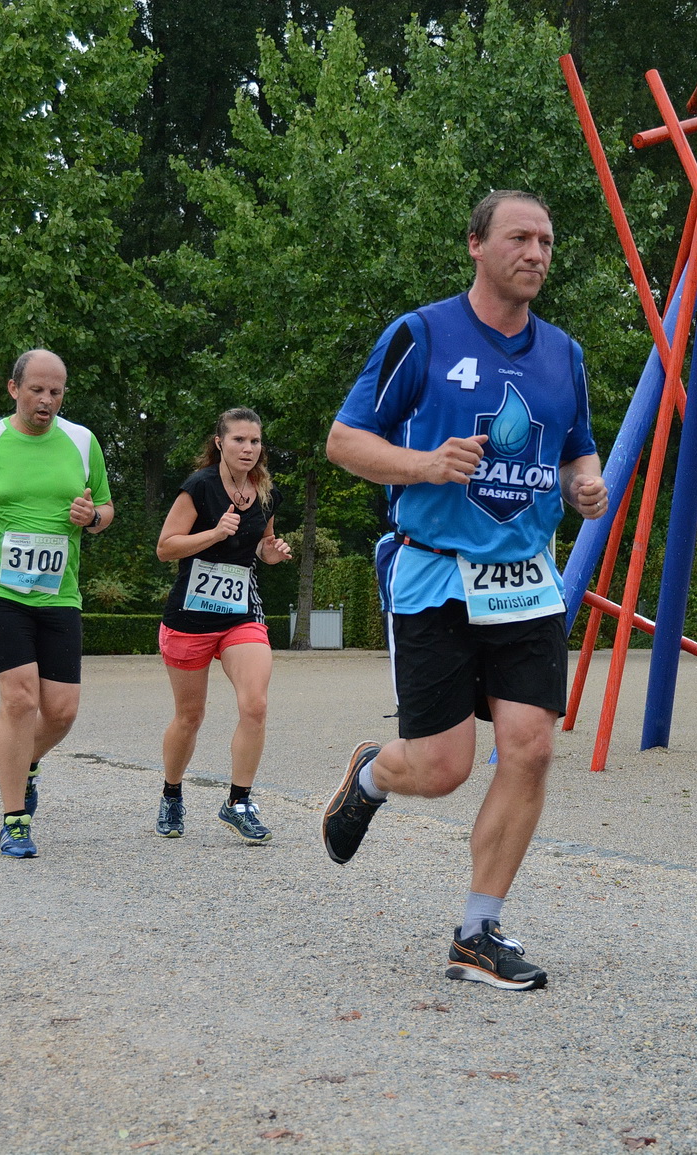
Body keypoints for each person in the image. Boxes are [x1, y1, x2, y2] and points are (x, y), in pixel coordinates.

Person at [321, 191, 609, 991]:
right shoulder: (422, 334)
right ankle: (375, 772)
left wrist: (588, 486)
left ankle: (478, 932)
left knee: (532, 746)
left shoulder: (565, 356)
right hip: (435, 573)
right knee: (445, 765)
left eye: (548, 241)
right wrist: (422, 464)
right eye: (520, 237)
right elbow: (344, 440)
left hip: (525, 581)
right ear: (476, 243)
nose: (538, 253)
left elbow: (579, 452)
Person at [0, 350, 114, 859]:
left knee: (61, 711)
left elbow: (105, 507)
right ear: (14, 389)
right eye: (37, 389)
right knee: (20, 698)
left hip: (59, 590)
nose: (46, 400)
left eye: (56, 391)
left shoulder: (82, 442)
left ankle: (26, 761)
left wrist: (91, 515)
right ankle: (15, 819)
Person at [153, 408, 292, 842]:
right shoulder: (199, 487)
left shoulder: (267, 493)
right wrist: (213, 533)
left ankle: (238, 801)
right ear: (220, 443)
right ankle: (172, 794)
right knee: (189, 717)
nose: (248, 449)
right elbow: (166, 547)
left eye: (254, 441)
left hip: (240, 616)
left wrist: (273, 553)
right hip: (190, 618)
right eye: (238, 441)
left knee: (255, 705)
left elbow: (261, 548)